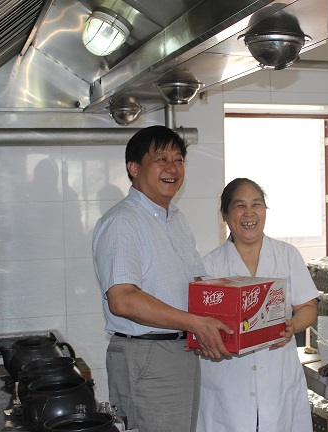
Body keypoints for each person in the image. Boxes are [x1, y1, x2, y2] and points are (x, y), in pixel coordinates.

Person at [92, 125, 233, 432]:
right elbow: (122, 299)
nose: (173, 168)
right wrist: (196, 324)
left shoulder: (175, 219)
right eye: (161, 159)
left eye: (178, 159)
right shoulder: (122, 221)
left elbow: (198, 285)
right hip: (147, 354)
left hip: (181, 348)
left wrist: (236, 311)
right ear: (134, 168)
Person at [197, 178, 318, 432]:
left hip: (277, 380)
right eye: (240, 205)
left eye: (256, 204)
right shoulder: (209, 266)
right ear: (225, 214)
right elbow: (200, 327)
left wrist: (292, 325)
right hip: (229, 387)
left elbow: (308, 307)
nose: (249, 213)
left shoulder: (287, 255)